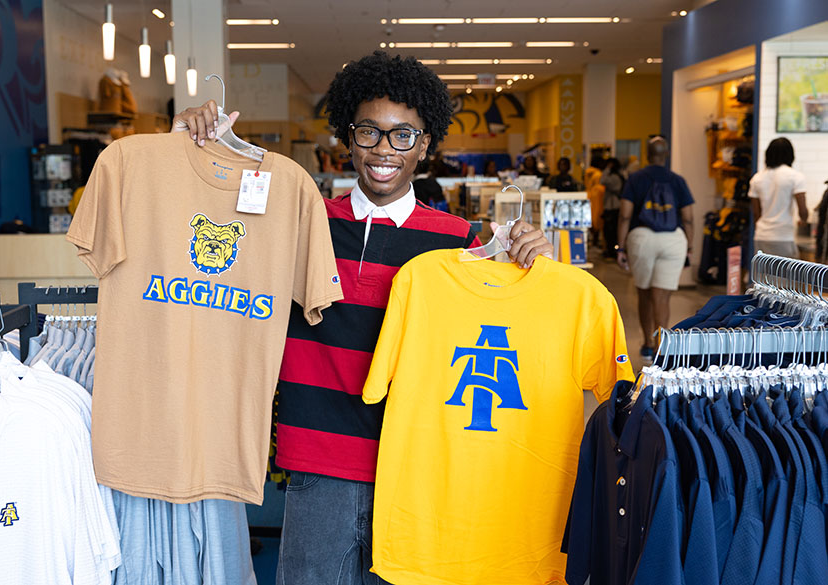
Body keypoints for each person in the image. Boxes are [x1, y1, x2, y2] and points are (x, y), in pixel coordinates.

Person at [172, 51, 553, 585]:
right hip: (317, 461)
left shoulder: (460, 243)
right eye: (369, 131)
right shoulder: (296, 224)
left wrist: (532, 260)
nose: (383, 150)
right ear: (347, 137)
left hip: (416, 467)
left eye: (403, 135)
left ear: (425, 144)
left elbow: (512, 329)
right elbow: (204, 236)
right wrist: (189, 141)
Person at [616, 136, 694, 365]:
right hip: (673, 239)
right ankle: (662, 347)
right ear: (666, 155)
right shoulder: (678, 181)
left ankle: (647, 345)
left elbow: (625, 215)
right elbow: (688, 219)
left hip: (642, 237)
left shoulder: (635, 179)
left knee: (644, 292)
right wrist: (689, 247)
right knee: (662, 296)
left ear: (647, 155)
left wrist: (620, 248)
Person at [749, 137, 808, 258]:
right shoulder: (795, 176)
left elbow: (756, 212)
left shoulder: (757, 178)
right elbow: (803, 209)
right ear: (790, 155)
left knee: (763, 275)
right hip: (783, 236)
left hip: (762, 235)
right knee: (786, 276)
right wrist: (803, 220)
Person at [600, 157, 624, 259]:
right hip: (614, 207)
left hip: (612, 207)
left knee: (610, 232)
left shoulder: (614, 177)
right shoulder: (620, 176)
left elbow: (602, 180)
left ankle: (612, 252)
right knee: (611, 231)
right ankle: (612, 251)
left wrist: (607, 169)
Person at [584, 156, 607, 246]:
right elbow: (599, 187)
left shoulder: (587, 172)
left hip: (588, 196)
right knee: (597, 219)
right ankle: (595, 240)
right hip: (596, 198)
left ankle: (593, 240)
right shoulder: (598, 174)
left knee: (590, 218)